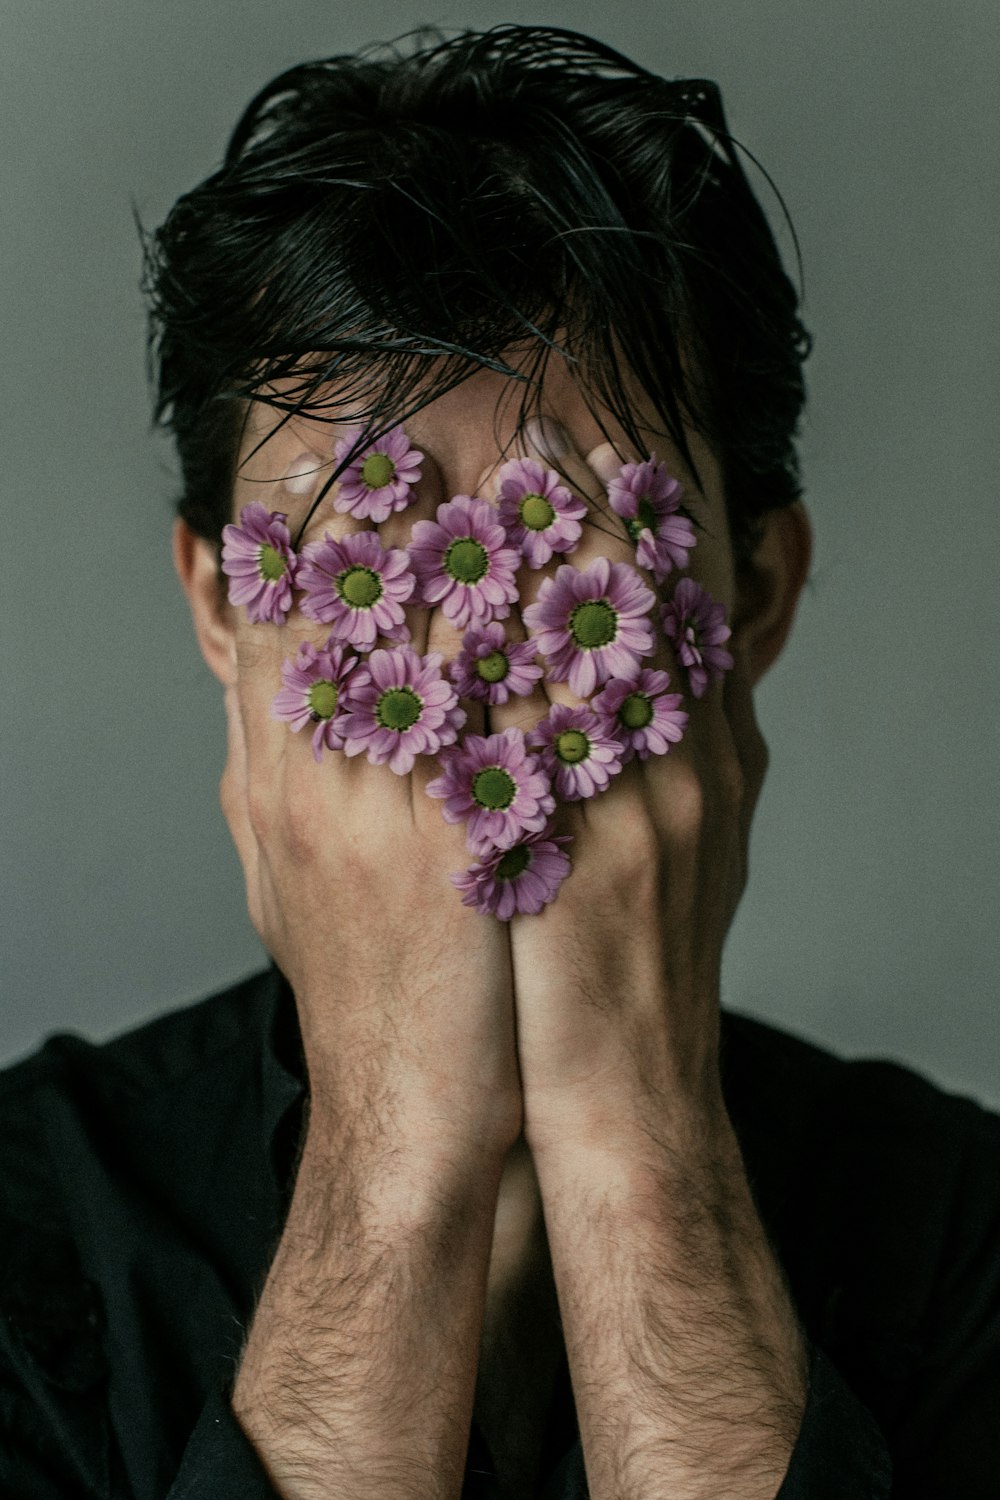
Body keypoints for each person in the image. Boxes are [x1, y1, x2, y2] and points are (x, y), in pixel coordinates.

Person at [1, 23, 997, 1500]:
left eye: (584, 538)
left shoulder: (968, 1241)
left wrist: (639, 1149)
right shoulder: (24, 1233)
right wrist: (392, 1160)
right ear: (221, 607)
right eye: (358, 562)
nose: (473, 674)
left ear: (755, 593)